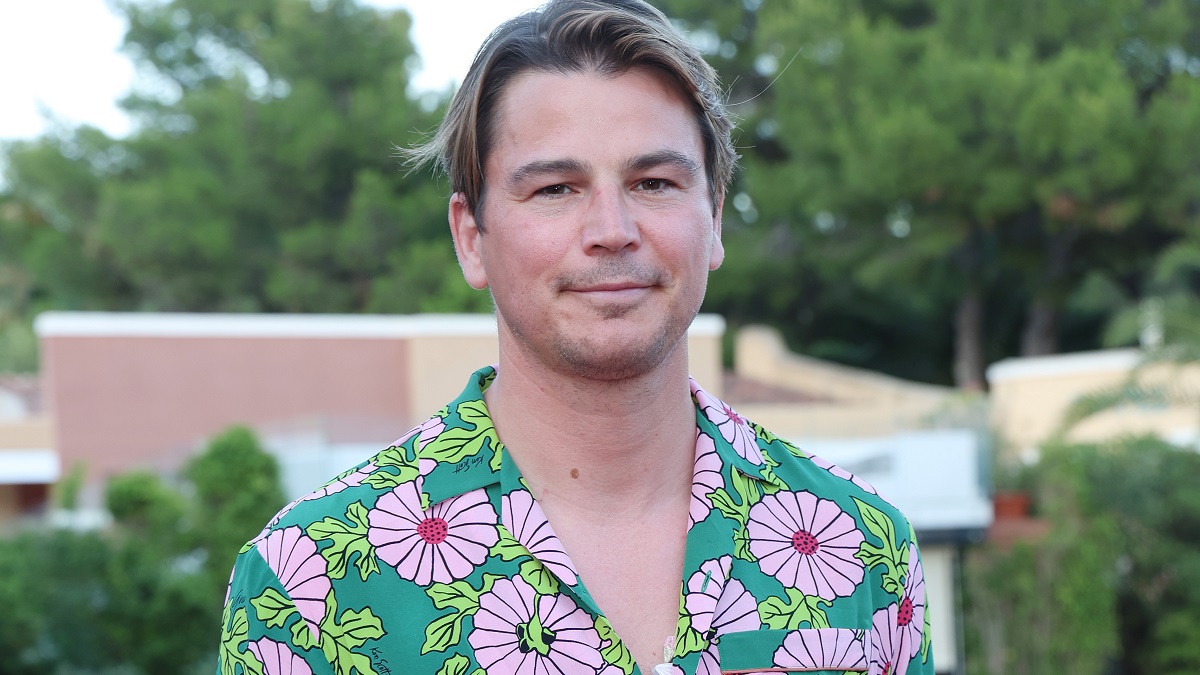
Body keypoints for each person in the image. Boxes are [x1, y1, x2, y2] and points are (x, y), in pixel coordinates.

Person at [218, 1, 934, 674]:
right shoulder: (310, 583)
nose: (612, 230)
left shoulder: (864, 549)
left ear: (714, 217)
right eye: (555, 189)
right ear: (472, 237)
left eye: (654, 182)